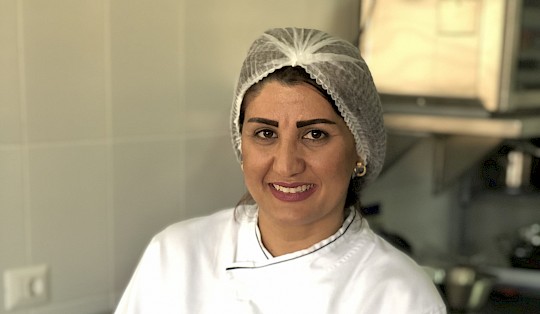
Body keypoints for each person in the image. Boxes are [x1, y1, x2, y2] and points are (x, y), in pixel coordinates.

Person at [115, 27, 447, 313]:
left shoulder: (400, 297)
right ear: (240, 143)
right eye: (266, 134)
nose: (287, 164)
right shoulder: (175, 258)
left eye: (315, 135)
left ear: (360, 148)